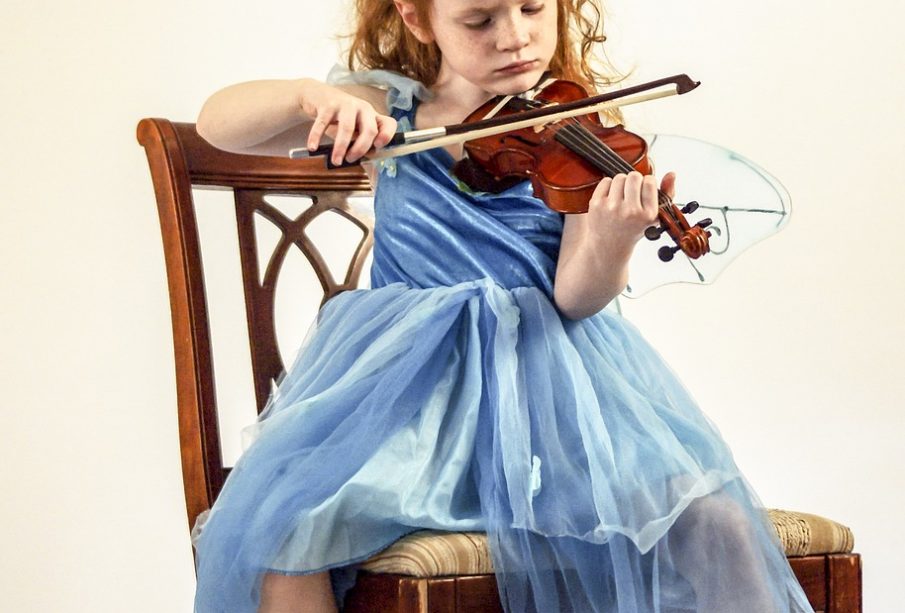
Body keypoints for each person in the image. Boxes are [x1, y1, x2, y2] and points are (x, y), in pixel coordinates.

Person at [192, 1, 814, 611]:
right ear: (416, 18)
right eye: (479, 20)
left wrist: (611, 237)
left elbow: (575, 296)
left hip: (552, 404)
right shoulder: (389, 110)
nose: (514, 36)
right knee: (288, 532)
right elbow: (220, 125)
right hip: (407, 407)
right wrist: (309, 96)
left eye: (533, 9)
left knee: (716, 525)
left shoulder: (582, 126)